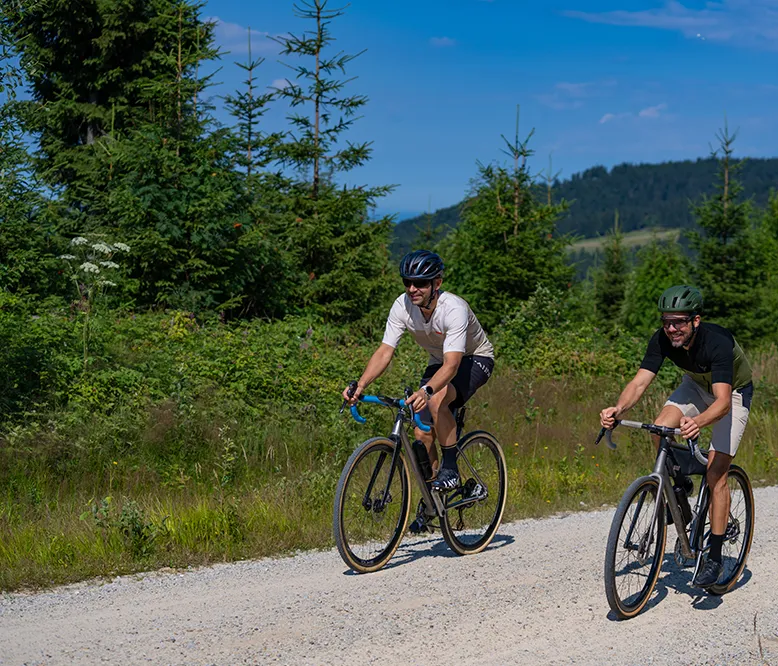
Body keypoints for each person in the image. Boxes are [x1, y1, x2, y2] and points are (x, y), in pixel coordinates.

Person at [599, 285, 753, 589]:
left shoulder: (717, 342)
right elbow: (641, 382)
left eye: (678, 322)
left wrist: (696, 422)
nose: (671, 329)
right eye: (666, 322)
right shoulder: (662, 339)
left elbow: (721, 403)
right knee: (660, 429)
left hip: (732, 393)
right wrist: (618, 408)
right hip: (696, 385)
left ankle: (716, 556)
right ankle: (679, 489)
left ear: (696, 320)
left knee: (716, 474)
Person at [342, 250, 494, 531]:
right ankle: (433, 499)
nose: (413, 289)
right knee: (421, 430)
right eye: (407, 282)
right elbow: (386, 351)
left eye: (420, 283)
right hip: (439, 362)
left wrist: (426, 391)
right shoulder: (402, 306)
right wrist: (361, 384)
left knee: (436, 401)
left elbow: (453, 364)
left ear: (437, 283)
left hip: (474, 359)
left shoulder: (454, 308)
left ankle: (450, 469)